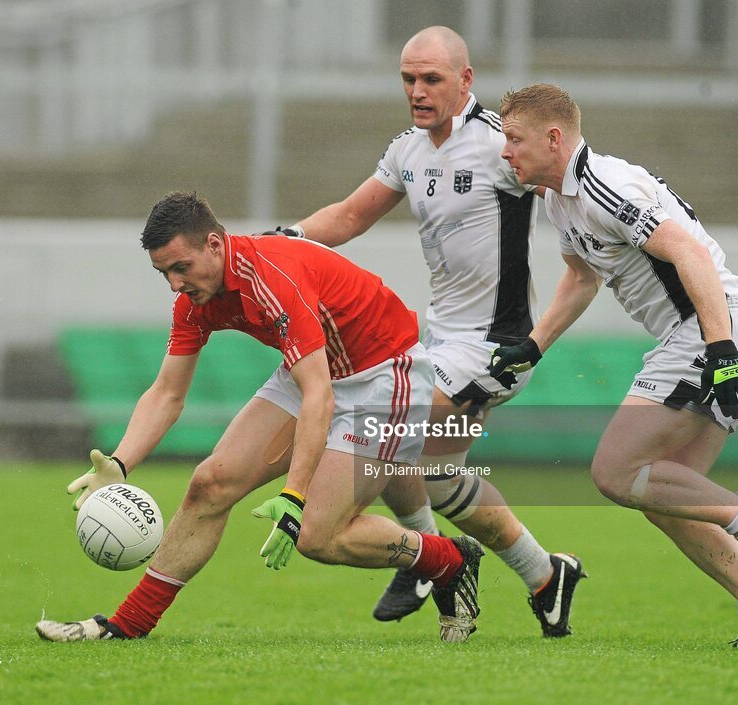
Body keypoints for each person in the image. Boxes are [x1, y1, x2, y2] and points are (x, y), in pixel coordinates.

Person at [35, 191, 484, 644]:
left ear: (214, 244)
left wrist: (294, 494)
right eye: (164, 273)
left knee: (316, 536)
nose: (174, 284)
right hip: (316, 370)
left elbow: (318, 397)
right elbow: (168, 393)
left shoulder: (271, 277)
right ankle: (127, 624)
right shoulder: (194, 300)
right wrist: (120, 464)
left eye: (181, 267)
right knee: (211, 482)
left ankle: (448, 560)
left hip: (386, 377)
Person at [267, 26, 585, 637]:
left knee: (385, 427)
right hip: (435, 339)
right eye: (408, 78)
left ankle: (428, 561)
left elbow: (565, 185)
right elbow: (351, 215)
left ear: (466, 80)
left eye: (431, 79)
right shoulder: (407, 149)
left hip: (494, 347)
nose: (417, 90)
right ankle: (544, 576)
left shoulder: (502, 145)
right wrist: (282, 241)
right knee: (436, 474)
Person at [491, 83, 738, 649]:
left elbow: (688, 252)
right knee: (663, 494)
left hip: (712, 330)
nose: (505, 151)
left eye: (514, 139)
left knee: (615, 472)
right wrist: (535, 344)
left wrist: (720, 351)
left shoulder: (603, 185)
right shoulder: (557, 198)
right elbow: (581, 278)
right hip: (713, 334)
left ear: (552, 138)